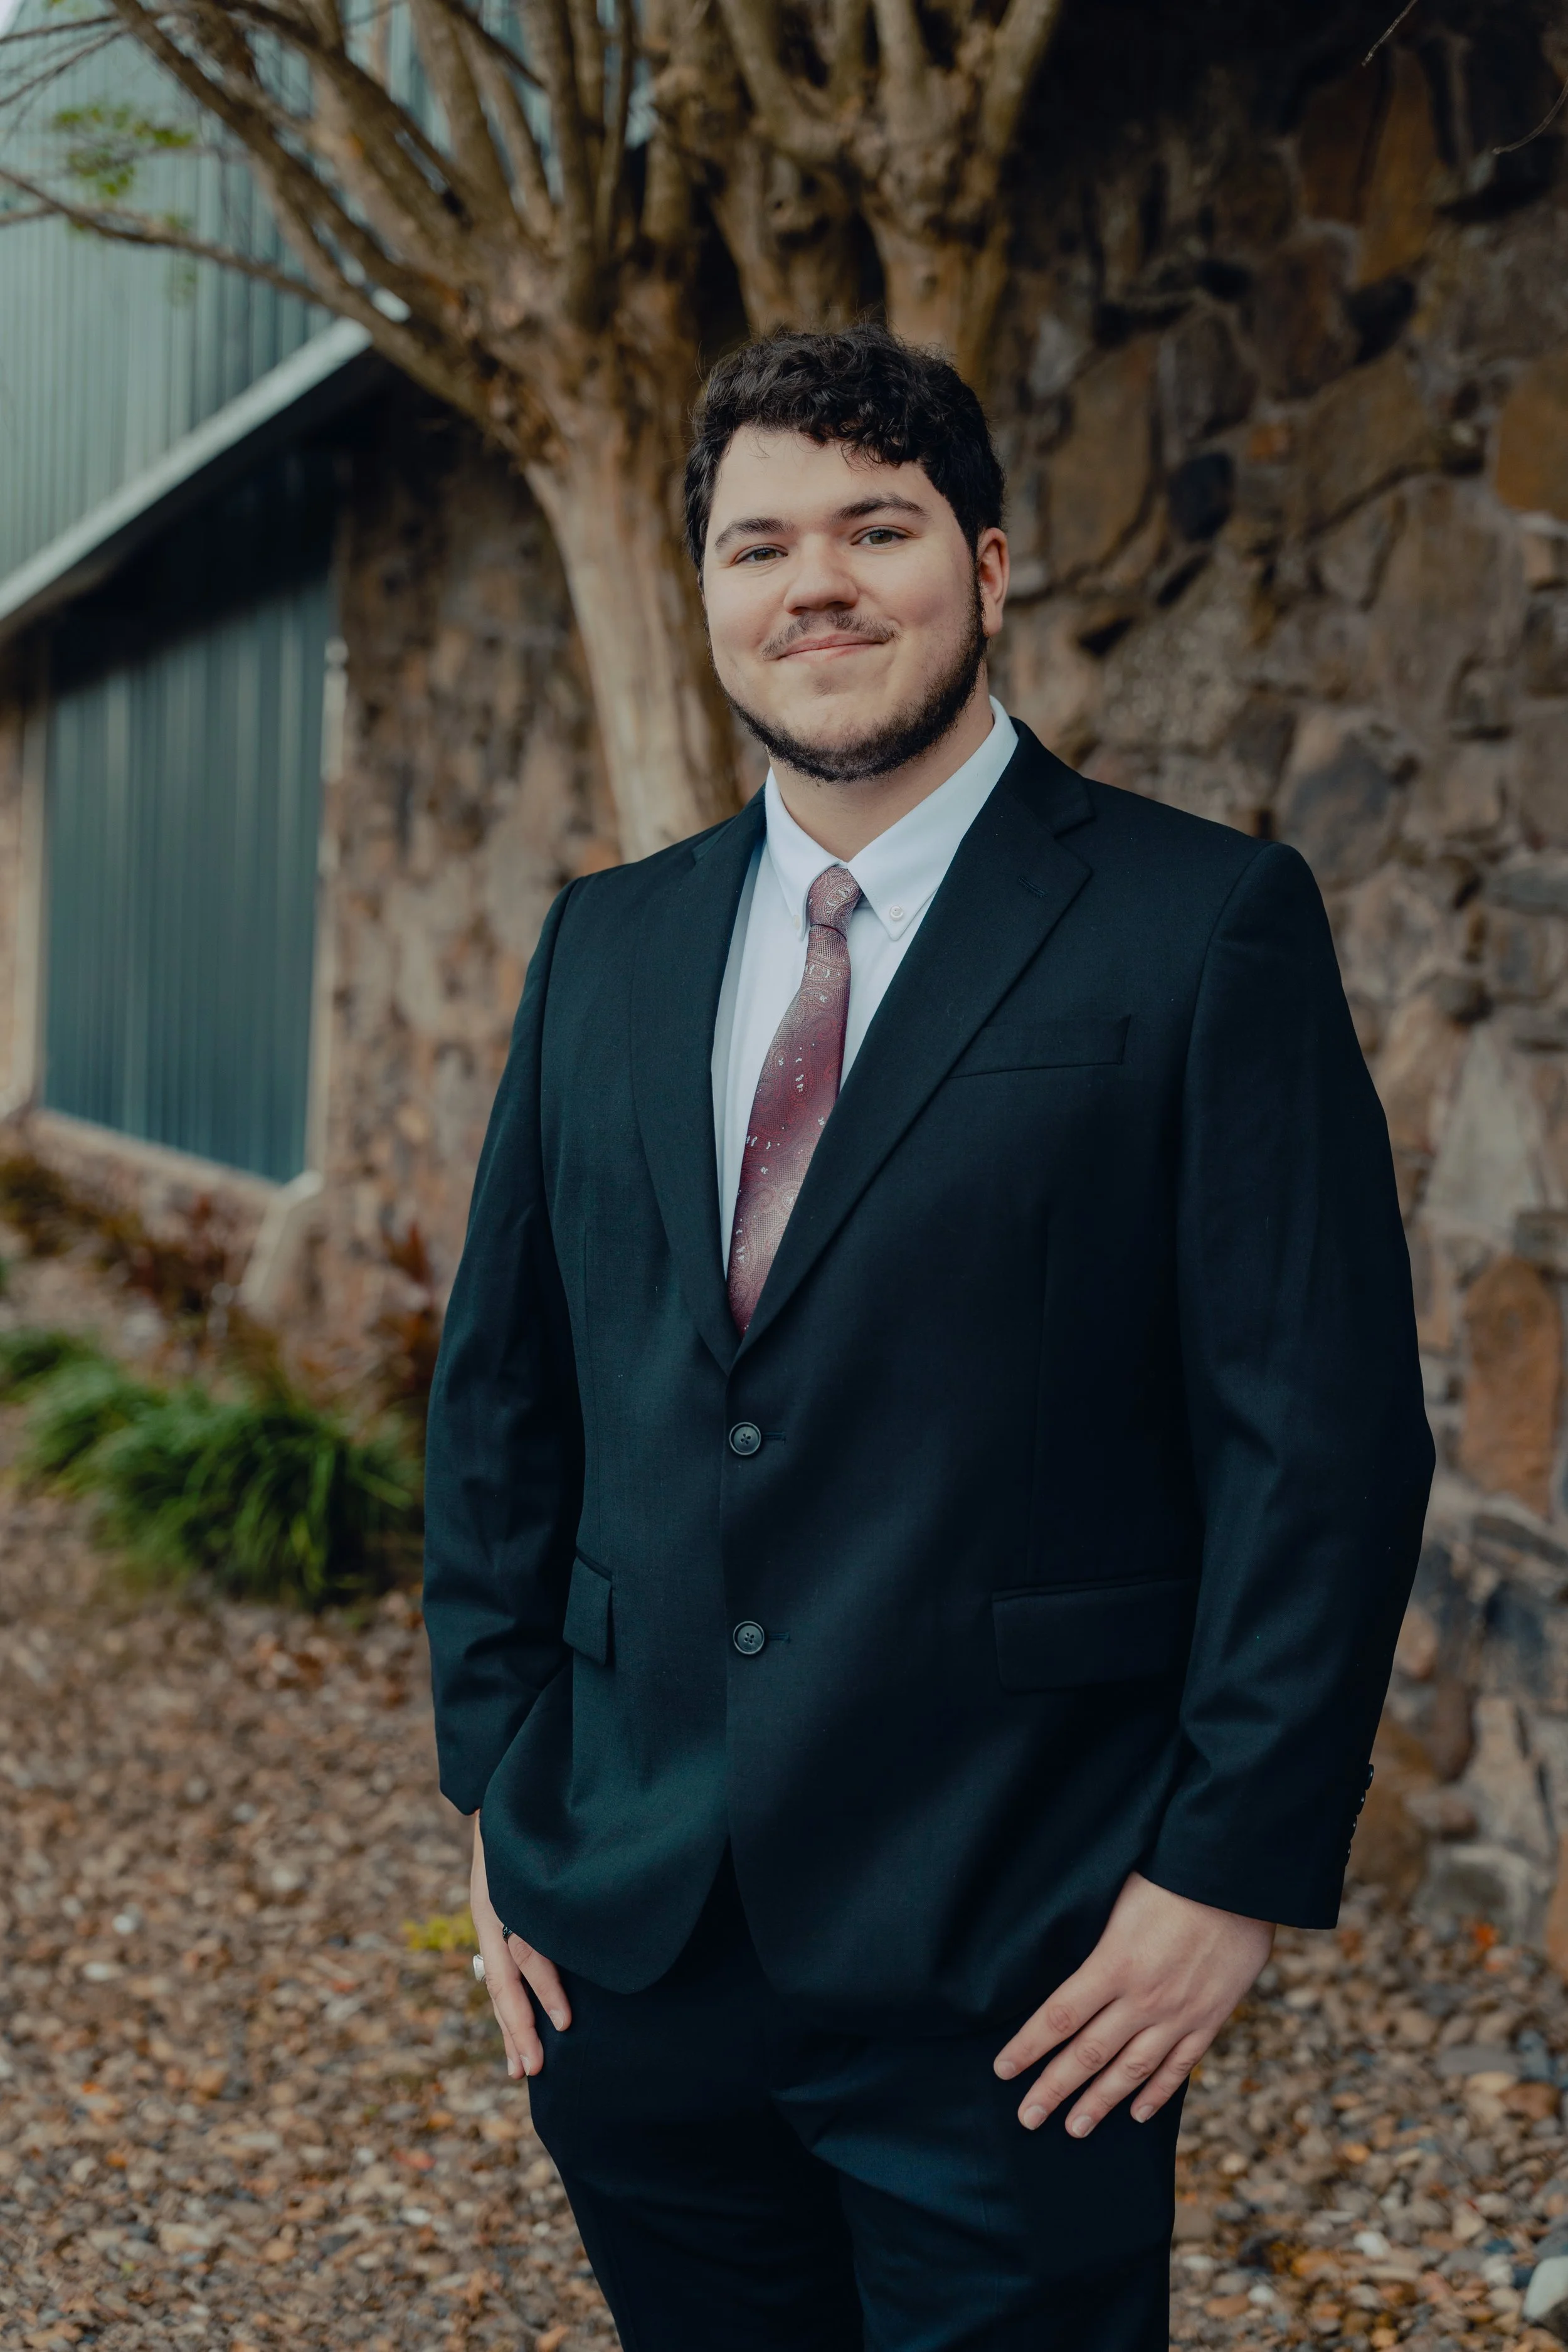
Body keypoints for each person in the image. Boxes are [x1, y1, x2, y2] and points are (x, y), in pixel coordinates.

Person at [422, 324, 1434, 2351]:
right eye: (756, 542)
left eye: (873, 528)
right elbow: (505, 1396)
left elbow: (1311, 1435)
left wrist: (1221, 1871)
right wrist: (497, 1795)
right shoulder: (602, 941)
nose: (813, 582)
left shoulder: (1200, 923)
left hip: (1017, 1955)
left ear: (983, 566)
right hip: (628, 1938)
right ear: (707, 591)